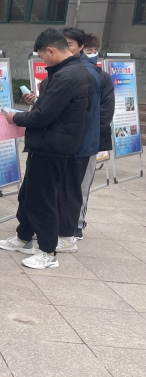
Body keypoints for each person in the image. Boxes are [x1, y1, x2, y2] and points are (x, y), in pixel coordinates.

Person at [0, 29, 94, 270]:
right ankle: (24, 237)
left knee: (44, 199)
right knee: (29, 194)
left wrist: (15, 117)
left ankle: (48, 251)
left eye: (42, 56)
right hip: (45, 144)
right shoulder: (69, 72)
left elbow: (43, 115)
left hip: (53, 146)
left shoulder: (68, 76)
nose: (43, 61)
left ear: (51, 50)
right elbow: (50, 107)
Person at [45, 27, 102, 253]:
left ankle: (69, 234)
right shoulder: (69, 70)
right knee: (62, 189)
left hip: (78, 144)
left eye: (69, 44)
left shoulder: (85, 73)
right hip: (69, 141)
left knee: (71, 190)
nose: (64, 48)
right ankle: (60, 231)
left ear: (80, 47)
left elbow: (89, 113)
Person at [77, 33, 115, 239]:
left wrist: (90, 133)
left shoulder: (103, 77)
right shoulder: (72, 73)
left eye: (94, 51)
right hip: (69, 140)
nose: (91, 54)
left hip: (90, 142)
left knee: (83, 184)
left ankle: (77, 224)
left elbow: (106, 113)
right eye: (88, 51)